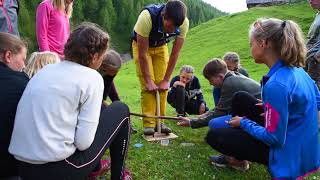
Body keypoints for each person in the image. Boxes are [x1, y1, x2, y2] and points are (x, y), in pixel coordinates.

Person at [9, 22, 132, 180]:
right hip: (59, 169)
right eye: (102, 56)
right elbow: (83, 143)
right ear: (94, 57)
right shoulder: (92, 78)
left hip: (23, 168)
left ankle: (95, 169)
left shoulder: (47, 70)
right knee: (120, 109)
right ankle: (119, 176)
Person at [206, 18, 320, 179]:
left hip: (287, 155)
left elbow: (275, 139)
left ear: (263, 43)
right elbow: (318, 101)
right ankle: (239, 161)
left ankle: (248, 161)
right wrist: (277, 109)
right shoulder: (298, 71)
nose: (250, 48)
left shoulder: (276, 85)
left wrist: (244, 123)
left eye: (251, 43)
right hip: (305, 148)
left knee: (215, 135)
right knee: (241, 98)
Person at [131, 0, 189, 135]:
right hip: (142, 47)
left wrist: (166, 80)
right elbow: (143, 54)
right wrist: (149, 80)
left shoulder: (183, 23)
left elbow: (175, 53)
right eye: (172, 25)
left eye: (177, 26)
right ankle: (149, 124)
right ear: (164, 15)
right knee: (148, 86)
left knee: (162, 86)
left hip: (161, 46)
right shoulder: (146, 17)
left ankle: (160, 122)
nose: (174, 29)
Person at [178, 59, 261, 129]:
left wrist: (192, 122)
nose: (210, 83)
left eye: (210, 80)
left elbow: (219, 113)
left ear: (220, 76)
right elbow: (220, 107)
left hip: (259, 116)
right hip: (256, 110)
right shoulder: (232, 77)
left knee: (214, 123)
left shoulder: (229, 84)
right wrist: (202, 116)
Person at [0, 32, 28, 178]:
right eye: (23, 59)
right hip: (9, 167)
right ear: (8, 56)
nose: (24, 65)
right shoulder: (21, 83)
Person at [98, 49, 137, 133]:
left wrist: (118, 105)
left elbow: (109, 87)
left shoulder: (109, 74)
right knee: (102, 108)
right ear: (103, 67)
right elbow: (96, 98)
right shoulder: (93, 72)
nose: (114, 74)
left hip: (104, 80)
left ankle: (125, 126)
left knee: (118, 104)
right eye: (113, 72)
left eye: (115, 73)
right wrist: (103, 104)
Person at [305, 0, 320, 90]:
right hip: (310, 58)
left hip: (316, 61)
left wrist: (317, 56)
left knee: (314, 89)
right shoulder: (318, 14)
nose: (310, 1)